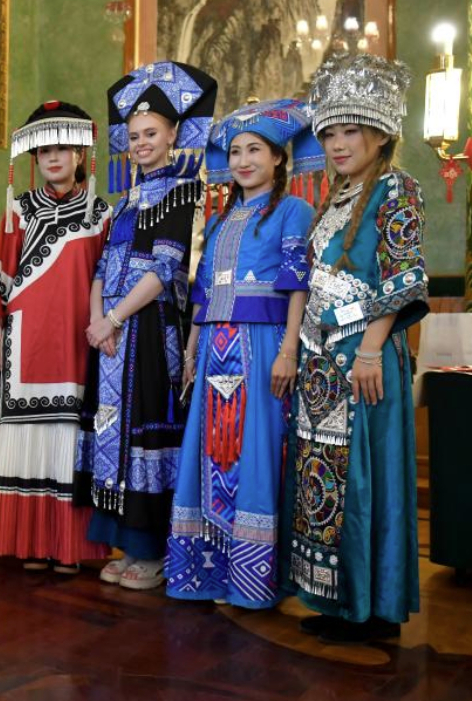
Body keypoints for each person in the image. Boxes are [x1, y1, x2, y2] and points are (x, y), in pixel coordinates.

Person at [281, 53, 428, 644]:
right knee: (326, 478)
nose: (339, 144)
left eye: (350, 132)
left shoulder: (399, 188)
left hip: (363, 359)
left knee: (365, 479)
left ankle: (373, 607)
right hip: (322, 361)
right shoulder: (335, 196)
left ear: (379, 133)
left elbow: (404, 276)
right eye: (330, 133)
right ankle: (337, 602)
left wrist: (370, 350)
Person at [165, 99, 321, 608]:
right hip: (214, 346)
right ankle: (207, 572)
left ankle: (252, 580)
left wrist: (289, 351)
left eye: (255, 149)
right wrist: (190, 350)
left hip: (261, 343)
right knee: (209, 449)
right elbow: (203, 294)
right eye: (234, 151)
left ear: (278, 158)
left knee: (254, 450)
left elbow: (298, 285)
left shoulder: (294, 210)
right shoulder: (221, 220)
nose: (243, 160)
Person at [75, 61, 217, 590]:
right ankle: (123, 544)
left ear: (174, 134)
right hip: (111, 333)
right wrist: (96, 321)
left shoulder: (182, 192)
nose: (140, 143)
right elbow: (100, 268)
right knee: (111, 427)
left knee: (143, 431)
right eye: (133, 136)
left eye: (151, 133)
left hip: (148, 332)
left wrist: (111, 317)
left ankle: (152, 551)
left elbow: (163, 271)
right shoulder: (124, 202)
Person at [0, 101, 112, 573]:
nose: (53, 158)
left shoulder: (100, 214)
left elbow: (105, 279)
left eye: (62, 149)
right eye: (43, 152)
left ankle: (69, 547)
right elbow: (1, 275)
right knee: (25, 440)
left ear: (80, 154)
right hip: (24, 344)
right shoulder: (19, 210)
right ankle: (32, 543)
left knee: (67, 442)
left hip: (75, 345)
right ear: (33, 160)